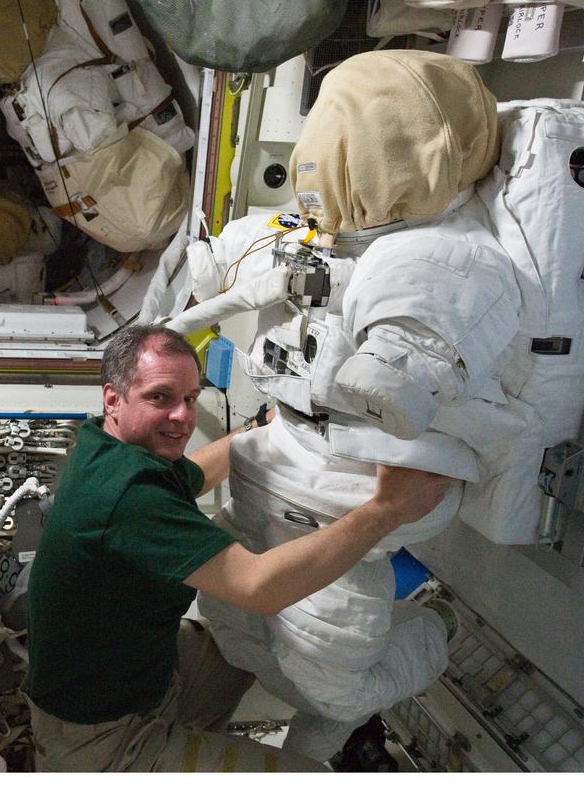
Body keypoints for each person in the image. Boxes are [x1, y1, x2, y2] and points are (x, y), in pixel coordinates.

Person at [25, 323, 451, 772]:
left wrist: (259, 429)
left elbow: (195, 474)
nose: (182, 417)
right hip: (105, 743)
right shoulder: (129, 496)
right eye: (160, 397)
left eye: (190, 398)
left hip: (138, 676)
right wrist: (386, 509)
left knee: (250, 651)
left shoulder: (107, 448)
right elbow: (257, 587)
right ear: (113, 398)